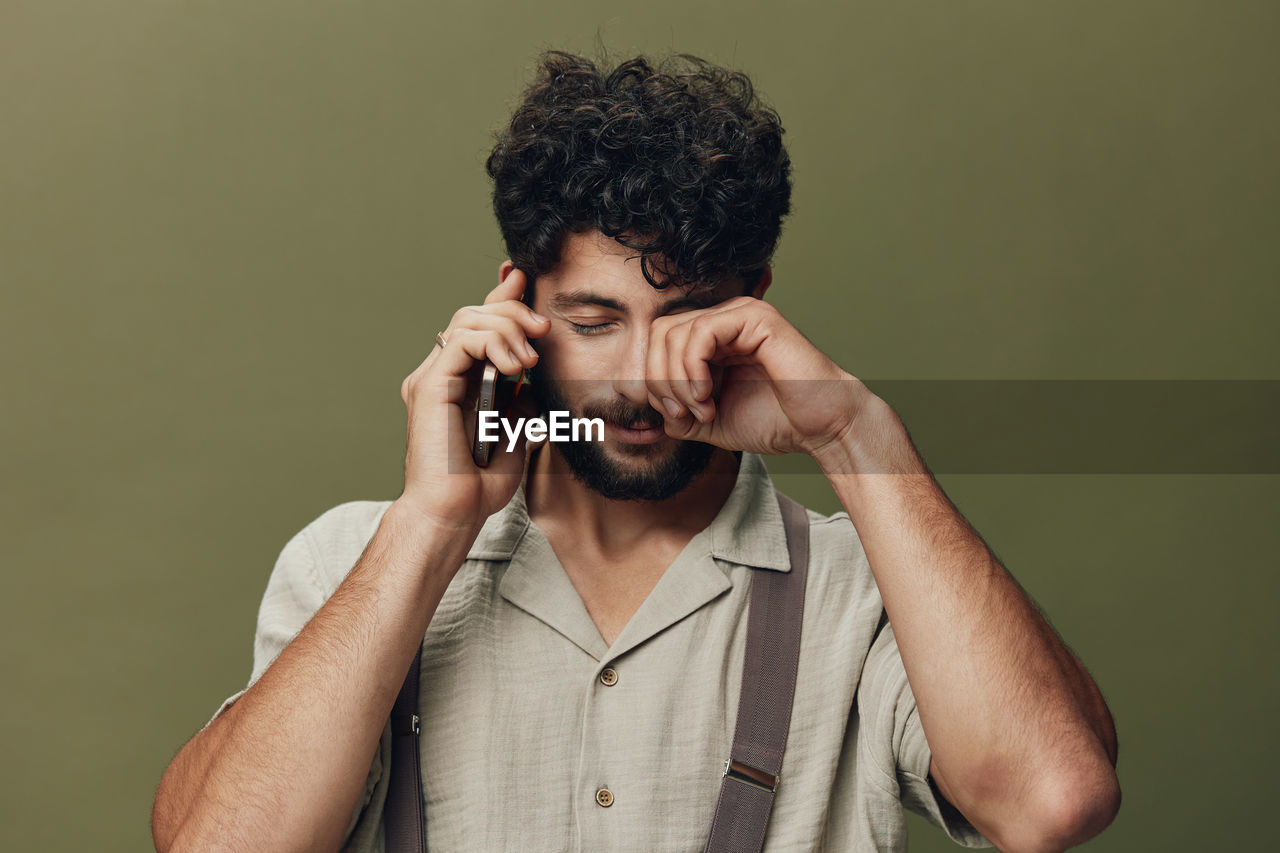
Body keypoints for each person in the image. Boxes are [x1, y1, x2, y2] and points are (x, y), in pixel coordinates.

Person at [151, 50, 1120, 852]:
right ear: (516, 305)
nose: (641, 378)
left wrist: (850, 428)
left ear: (756, 303)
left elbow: (1053, 799)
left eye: (689, 318)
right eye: (594, 320)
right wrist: (428, 523)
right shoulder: (350, 563)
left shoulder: (857, 594)